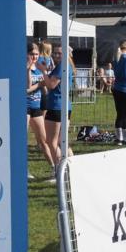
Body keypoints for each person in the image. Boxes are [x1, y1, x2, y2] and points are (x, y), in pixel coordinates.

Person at [43, 44, 74, 175]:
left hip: (56, 107)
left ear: (66, 54)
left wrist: (43, 71)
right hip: (65, 106)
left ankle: (59, 170)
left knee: (52, 141)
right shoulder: (66, 66)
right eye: (54, 53)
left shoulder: (62, 66)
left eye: (59, 53)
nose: (56, 55)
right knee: (63, 141)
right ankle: (72, 168)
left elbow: (51, 84)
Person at [26, 42, 54, 175]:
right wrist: (28, 69)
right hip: (24, 107)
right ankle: (24, 170)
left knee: (43, 140)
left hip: (36, 107)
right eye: (32, 54)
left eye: (36, 54)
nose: (35, 57)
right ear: (27, 54)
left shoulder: (39, 67)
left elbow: (45, 87)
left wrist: (45, 86)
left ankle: (54, 168)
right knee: (22, 140)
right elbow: (27, 87)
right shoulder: (24, 67)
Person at [112, 40, 126, 145]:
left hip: (117, 88)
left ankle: (119, 138)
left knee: (119, 113)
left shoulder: (116, 58)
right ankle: (125, 138)